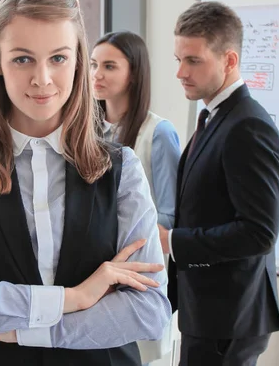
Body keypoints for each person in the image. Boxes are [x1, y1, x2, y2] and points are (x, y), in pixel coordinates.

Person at [0, 0, 171, 366]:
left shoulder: (122, 169)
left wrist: (4, 318)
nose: (43, 78)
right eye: (22, 59)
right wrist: (75, 299)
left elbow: (148, 310)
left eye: (58, 58)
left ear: (79, 60)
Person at [159, 1, 279, 366]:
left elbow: (259, 233)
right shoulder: (216, 117)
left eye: (193, 60)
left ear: (230, 61)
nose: (181, 72)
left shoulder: (248, 126)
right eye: (178, 59)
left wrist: (173, 242)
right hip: (210, 311)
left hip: (229, 316)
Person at [90, 30, 181, 366]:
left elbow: (169, 215)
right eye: (94, 64)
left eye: (109, 66)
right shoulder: (86, 132)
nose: (97, 74)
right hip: (94, 274)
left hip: (139, 273)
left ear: (134, 74)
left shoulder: (158, 133)